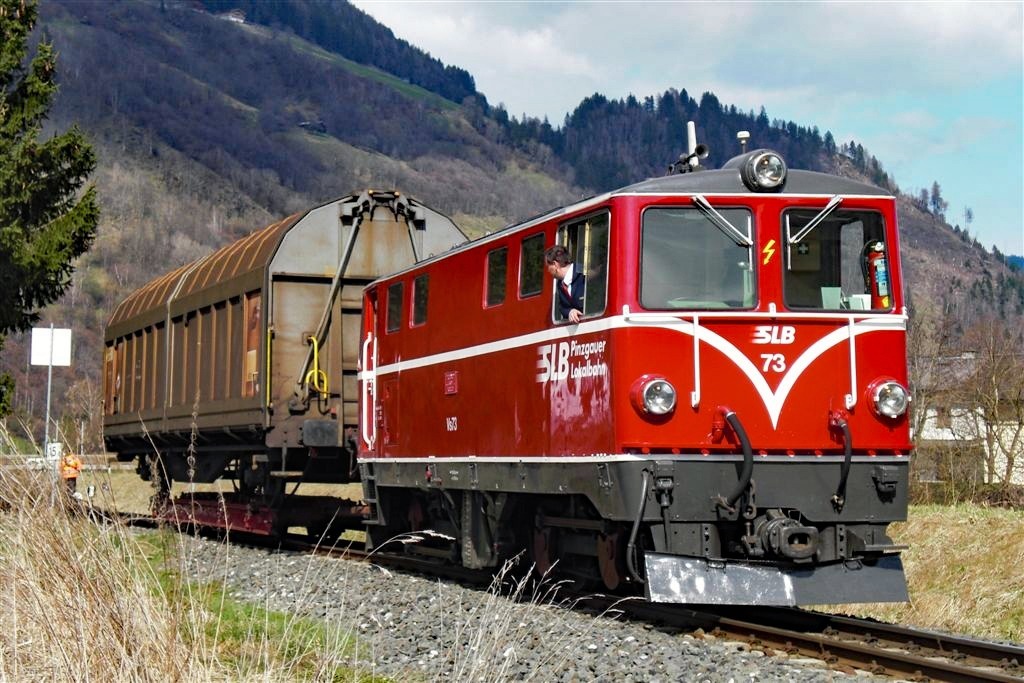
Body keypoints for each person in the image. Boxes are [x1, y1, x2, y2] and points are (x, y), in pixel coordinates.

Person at [544, 244, 585, 323]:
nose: (548, 270)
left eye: (548, 266)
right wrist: (570, 311)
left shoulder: (583, 273)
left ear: (555, 264)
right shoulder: (560, 284)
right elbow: (563, 307)